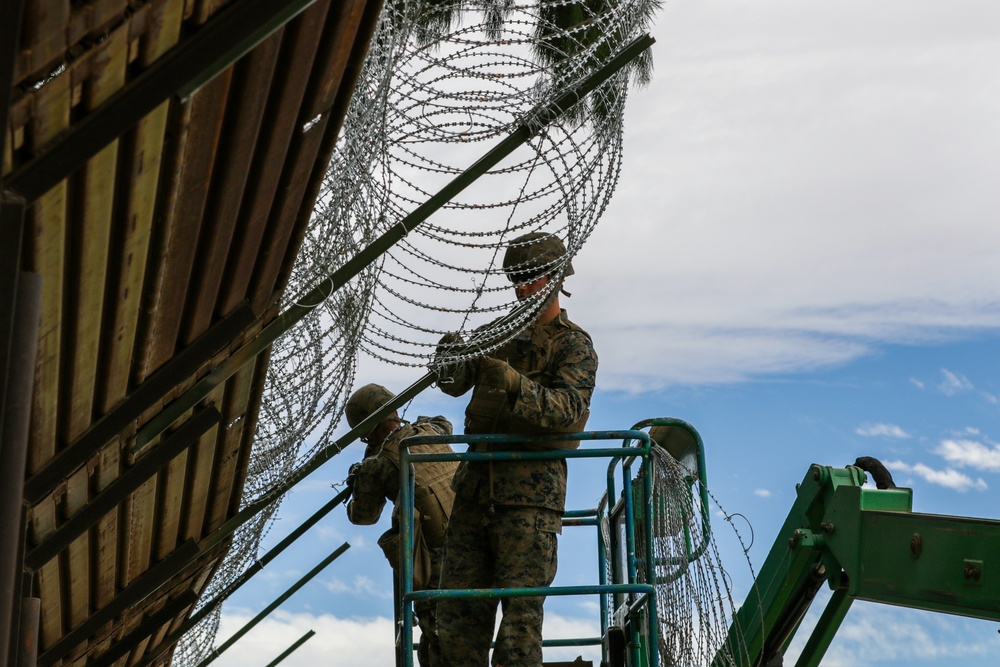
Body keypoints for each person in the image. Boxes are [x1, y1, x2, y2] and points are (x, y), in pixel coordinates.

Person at [432, 232, 599, 667]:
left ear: (557, 279)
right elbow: (453, 382)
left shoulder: (573, 345)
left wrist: (514, 384)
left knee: (519, 629)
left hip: (529, 502)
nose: (523, 288)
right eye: (517, 279)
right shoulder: (495, 335)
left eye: (532, 278)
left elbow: (569, 410)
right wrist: (448, 360)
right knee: (454, 623)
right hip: (473, 495)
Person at [344, 383, 459, 667]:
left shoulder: (377, 464)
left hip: (434, 559)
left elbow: (363, 516)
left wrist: (359, 476)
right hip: (472, 539)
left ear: (366, 430)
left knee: (439, 635)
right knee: (465, 631)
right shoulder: (429, 431)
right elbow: (444, 423)